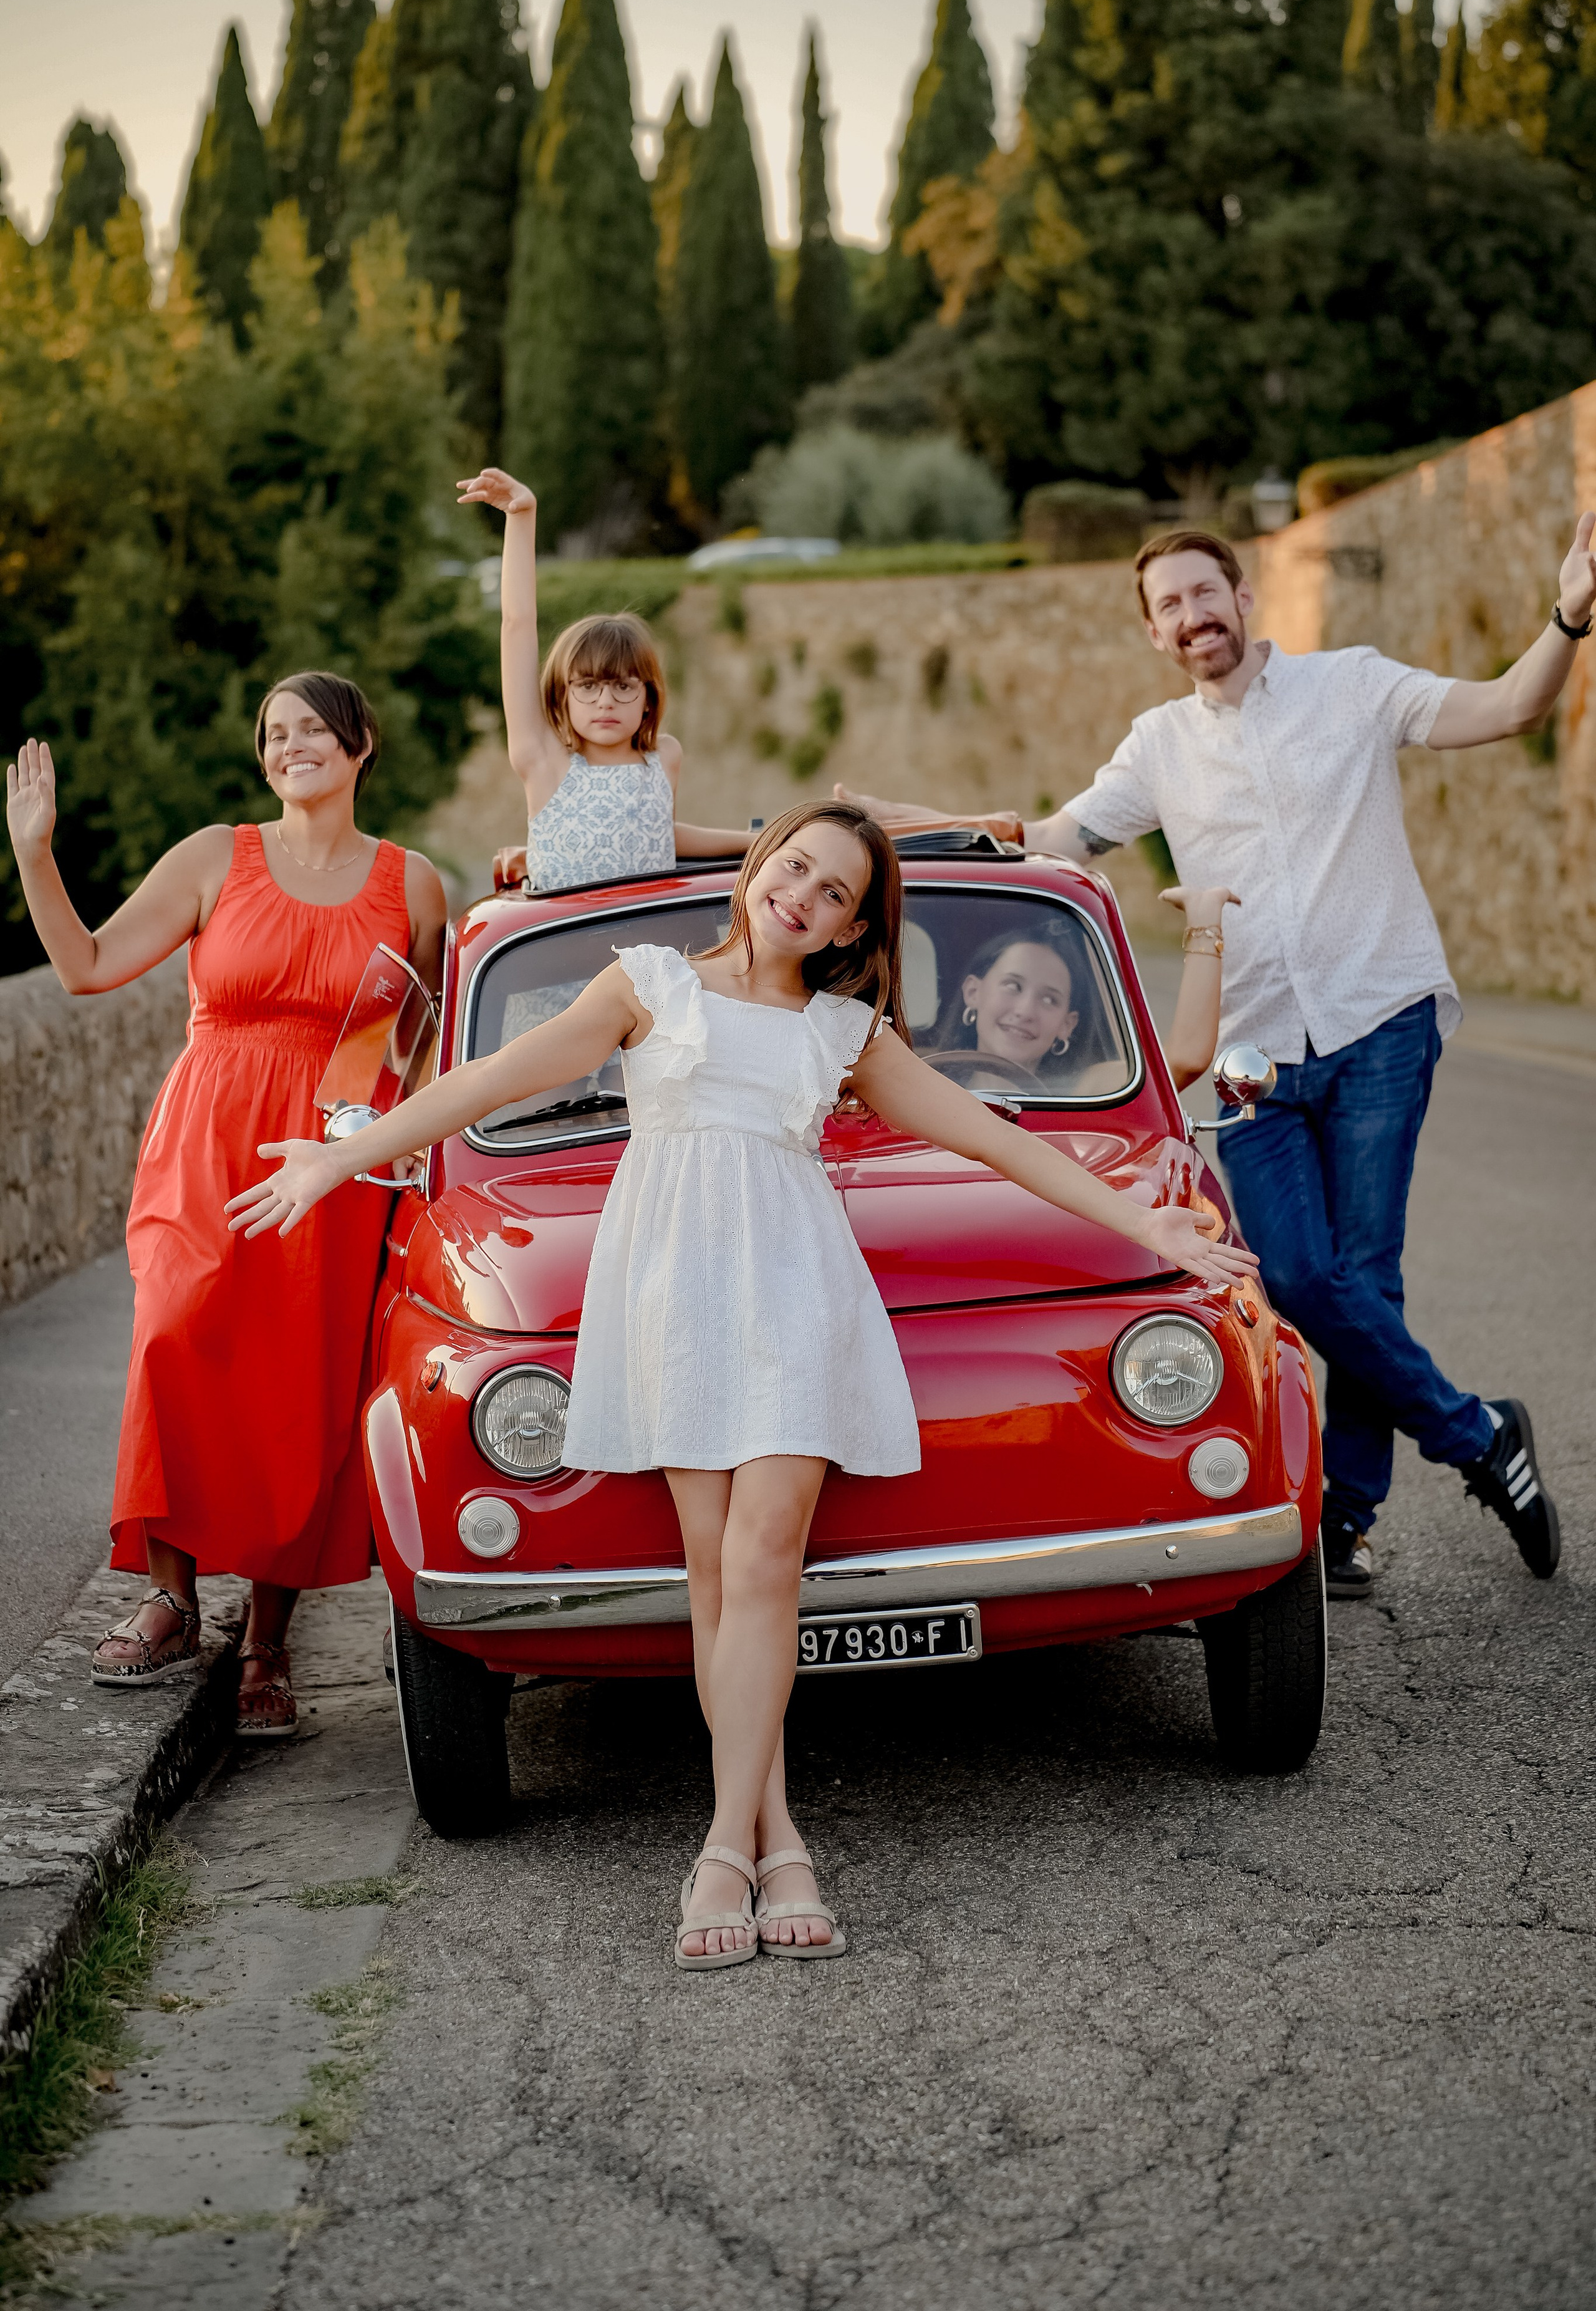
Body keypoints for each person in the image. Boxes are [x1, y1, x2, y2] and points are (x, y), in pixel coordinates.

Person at [226, 803, 1256, 1962]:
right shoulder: (649, 982)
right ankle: (778, 1843)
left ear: (851, 924)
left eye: (832, 894)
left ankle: (726, 1848)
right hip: (672, 1303)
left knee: (768, 1562)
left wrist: (1147, 1226)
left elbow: (993, 1139)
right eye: (796, 868)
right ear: (762, 864)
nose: (802, 897)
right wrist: (339, 1157)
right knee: (712, 1574)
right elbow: (502, 1076)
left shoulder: (842, 1033)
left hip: (796, 1298)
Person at [839, 519, 1593, 1597]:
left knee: (1363, 1280)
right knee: (1290, 1275)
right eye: (1170, 608)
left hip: (1382, 1018)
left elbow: (1510, 705)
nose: (1194, 618)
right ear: (1155, 633)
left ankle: (1351, 1519)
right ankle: (1480, 1439)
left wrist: (1569, 614)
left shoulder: (1355, 688)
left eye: (1206, 594)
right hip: (1253, 1058)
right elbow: (1047, 840)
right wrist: (883, 827)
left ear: (1242, 597)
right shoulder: (1158, 747)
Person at [4, 676, 447, 1732]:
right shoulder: (217, 856)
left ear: (360, 743)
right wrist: (34, 851)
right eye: (274, 733)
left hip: (332, 1158)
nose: (293, 746)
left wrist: (393, 1153)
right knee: (173, 1335)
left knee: (298, 1381)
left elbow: (425, 1048)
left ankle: (268, 1639)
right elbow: (87, 967)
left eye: (312, 729)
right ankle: (171, 1598)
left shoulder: (413, 883)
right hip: (207, 1141)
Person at [454, 466, 757, 892]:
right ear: (562, 698)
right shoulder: (543, 760)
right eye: (588, 686)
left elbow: (659, 837)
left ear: (649, 699)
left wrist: (755, 843)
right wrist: (522, 517)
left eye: (624, 686)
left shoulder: (665, 758)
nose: (605, 702)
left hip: (653, 950)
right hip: (566, 949)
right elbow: (517, 624)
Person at [927, 888, 1238, 1094]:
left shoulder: (1086, 1093)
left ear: (1068, 1024)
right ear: (973, 992)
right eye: (1013, 986)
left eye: (1049, 999)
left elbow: (1186, 1059)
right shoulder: (922, 1078)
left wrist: (1204, 921)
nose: (1025, 1010)